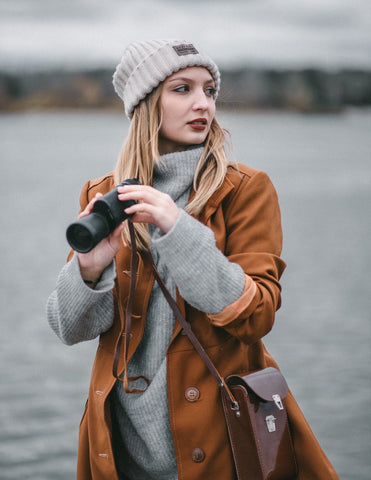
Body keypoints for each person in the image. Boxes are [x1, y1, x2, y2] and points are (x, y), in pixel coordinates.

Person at [47, 39, 338, 480]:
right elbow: (71, 329)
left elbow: (257, 315)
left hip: (221, 440)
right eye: (182, 89)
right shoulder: (104, 193)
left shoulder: (245, 190)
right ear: (147, 104)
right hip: (120, 445)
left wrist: (176, 229)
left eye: (209, 90)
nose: (203, 103)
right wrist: (89, 269)